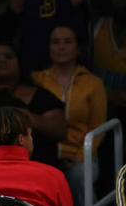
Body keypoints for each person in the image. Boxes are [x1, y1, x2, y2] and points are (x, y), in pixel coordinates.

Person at [31, 25, 109, 169]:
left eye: (67, 42)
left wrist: (80, 157)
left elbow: (97, 128)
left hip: (79, 156)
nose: (61, 47)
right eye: (55, 42)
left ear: (78, 48)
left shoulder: (94, 83)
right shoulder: (37, 80)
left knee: (80, 173)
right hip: (45, 155)